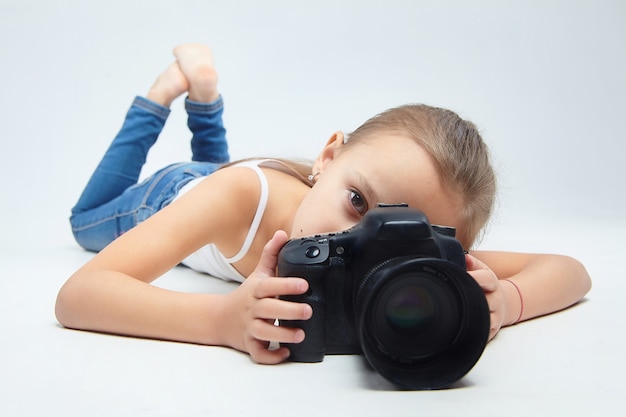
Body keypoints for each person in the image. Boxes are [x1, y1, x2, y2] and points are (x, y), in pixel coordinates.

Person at [55, 44, 592, 365]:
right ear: (327, 158)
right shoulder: (243, 196)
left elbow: (571, 272)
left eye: (406, 229)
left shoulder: (421, 255)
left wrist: (505, 302)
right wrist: (221, 321)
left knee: (218, 173)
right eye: (358, 202)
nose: (363, 238)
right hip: (176, 197)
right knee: (87, 221)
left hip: (223, 197)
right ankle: (166, 96)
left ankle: (205, 103)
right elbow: (80, 295)